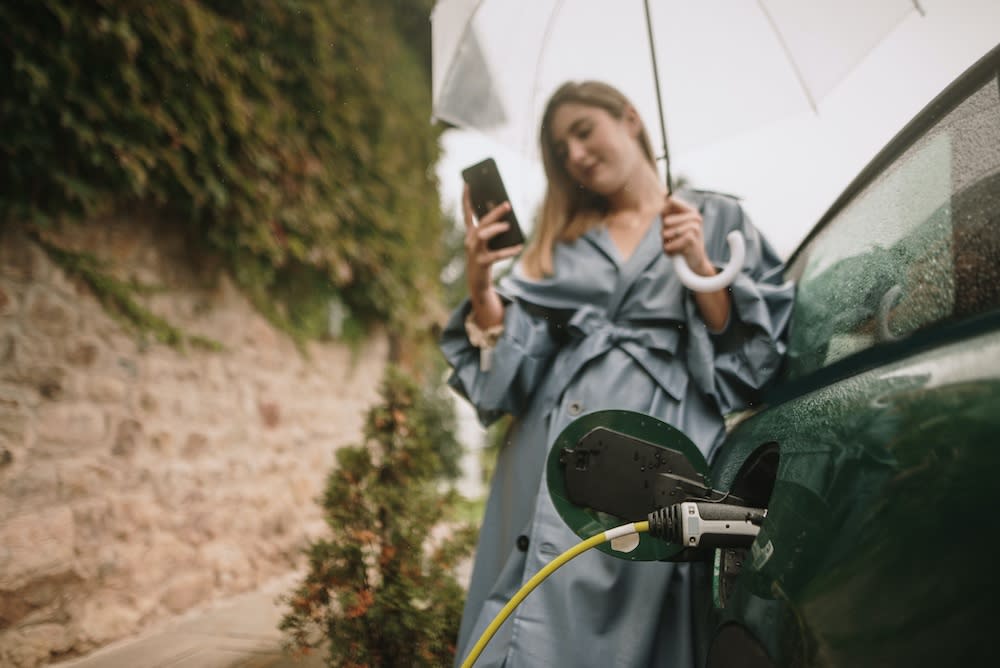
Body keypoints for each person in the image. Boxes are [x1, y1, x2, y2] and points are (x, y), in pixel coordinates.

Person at [441, 80, 794, 668]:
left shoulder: (715, 215)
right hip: (556, 445)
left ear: (630, 118)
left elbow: (756, 364)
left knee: (642, 610)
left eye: (583, 132)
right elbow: (510, 371)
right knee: (540, 611)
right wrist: (481, 287)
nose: (575, 155)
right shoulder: (562, 245)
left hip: (662, 449)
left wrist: (701, 267)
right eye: (561, 151)